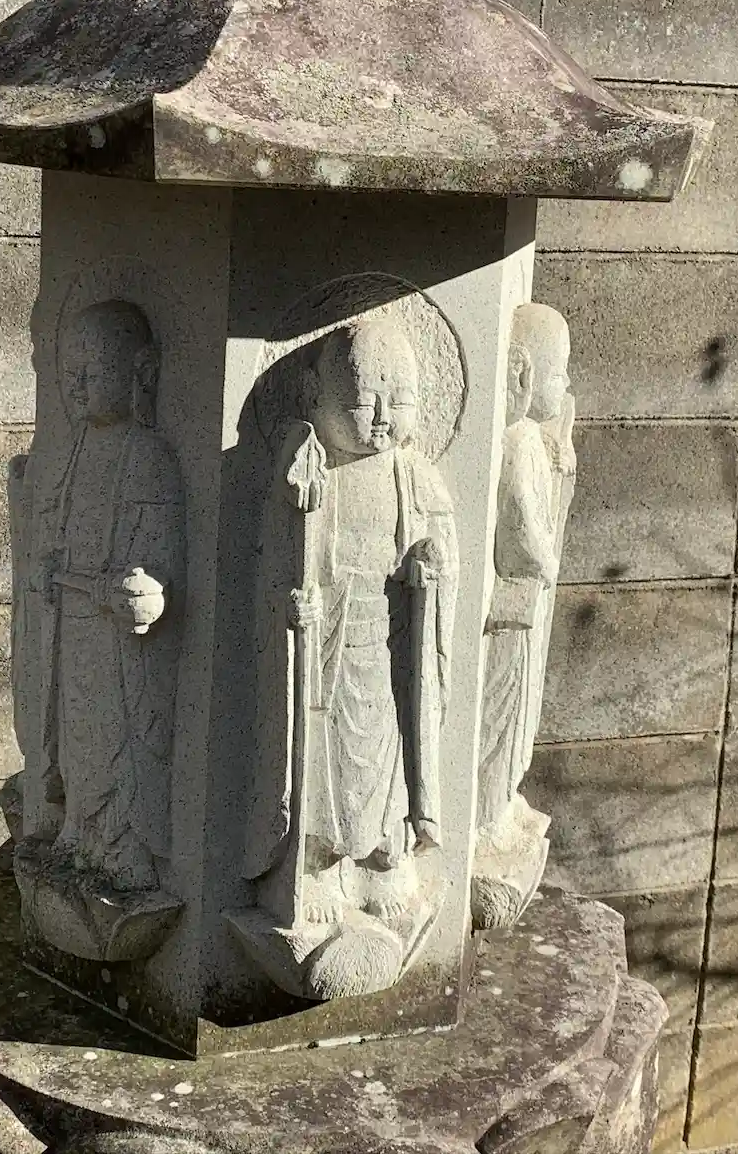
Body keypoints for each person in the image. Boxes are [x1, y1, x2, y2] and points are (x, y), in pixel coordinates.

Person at [245, 314, 458, 927]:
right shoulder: (308, 475)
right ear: (317, 395)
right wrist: (289, 604)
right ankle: (317, 866)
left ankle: (383, 860)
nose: (383, 419)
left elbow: (442, 552)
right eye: (364, 404)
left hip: (387, 647)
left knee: (386, 759)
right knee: (324, 761)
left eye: (400, 402)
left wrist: (429, 567)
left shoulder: (414, 477)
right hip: (328, 649)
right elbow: (272, 565)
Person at [27, 299, 184, 893]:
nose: (77, 386)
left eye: (92, 372)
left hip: (121, 641)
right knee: (75, 734)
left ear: (140, 372)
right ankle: (78, 828)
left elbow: (164, 560)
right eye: (70, 374)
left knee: (121, 738)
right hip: (72, 630)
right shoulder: (73, 451)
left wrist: (148, 590)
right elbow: (54, 532)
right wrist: (49, 569)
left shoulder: (149, 456)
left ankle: (123, 847)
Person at [477, 304, 574, 840]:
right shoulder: (516, 443)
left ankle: (505, 798)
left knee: (521, 714)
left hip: (528, 604)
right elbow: (521, 524)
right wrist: (547, 560)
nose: (566, 385)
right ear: (523, 374)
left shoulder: (536, 439)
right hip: (511, 605)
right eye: (558, 373)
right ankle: (487, 813)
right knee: (501, 712)